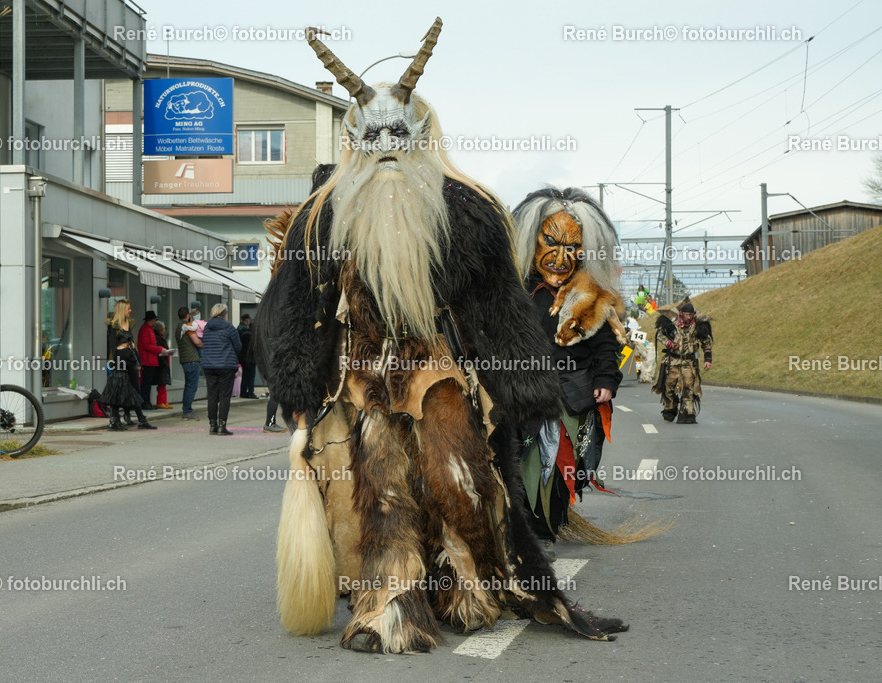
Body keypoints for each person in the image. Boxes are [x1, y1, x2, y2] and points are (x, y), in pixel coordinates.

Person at [257, 20, 625, 655]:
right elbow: (294, 306)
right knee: (375, 491)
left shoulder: (467, 210)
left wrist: (521, 385)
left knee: (459, 480)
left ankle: (468, 582)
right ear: (353, 137)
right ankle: (389, 603)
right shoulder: (322, 218)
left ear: (420, 132)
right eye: (371, 135)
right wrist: (295, 384)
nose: (386, 147)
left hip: (438, 371)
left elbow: (494, 305)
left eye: (398, 132)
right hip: (360, 376)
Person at [513, 186, 626, 557]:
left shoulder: (589, 295)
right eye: (551, 242)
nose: (561, 258)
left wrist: (607, 382)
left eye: (573, 247)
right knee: (520, 463)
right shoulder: (515, 292)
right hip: (520, 395)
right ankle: (520, 528)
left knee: (559, 468)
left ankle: (546, 529)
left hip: (569, 397)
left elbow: (606, 345)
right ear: (532, 241)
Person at [653, 298, 713, 424]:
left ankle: (687, 414)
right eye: (687, 315)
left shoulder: (698, 326)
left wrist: (708, 360)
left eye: (691, 315)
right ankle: (670, 409)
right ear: (681, 314)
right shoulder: (671, 324)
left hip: (689, 363)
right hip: (672, 361)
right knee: (668, 387)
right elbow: (659, 335)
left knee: (689, 389)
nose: (689, 317)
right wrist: (669, 343)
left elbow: (706, 343)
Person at [100, 299, 156, 430]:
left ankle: (141, 420)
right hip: (120, 360)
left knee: (135, 388)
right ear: (122, 310)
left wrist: (138, 361)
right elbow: (113, 346)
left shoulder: (128, 323)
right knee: (117, 388)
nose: (130, 311)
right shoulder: (114, 326)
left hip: (131, 358)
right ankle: (115, 420)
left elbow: (133, 343)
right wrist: (114, 361)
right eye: (128, 309)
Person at [201, 303, 241, 435]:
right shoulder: (229, 328)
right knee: (224, 396)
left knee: (212, 395)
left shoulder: (207, 328)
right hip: (225, 365)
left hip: (209, 365)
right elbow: (238, 346)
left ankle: (212, 425)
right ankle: (222, 426)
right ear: (224, 314)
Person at [174, 306, 202, 420]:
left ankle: (186, 410)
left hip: (185, 360)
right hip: (192, 360)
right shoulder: (187, 326)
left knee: (188, 386)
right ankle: (187, 411)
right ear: (188, 316)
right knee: (192, 386)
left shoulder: (178, 327)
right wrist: (205, 344)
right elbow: (197, 342)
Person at [136, 311, 161, 410]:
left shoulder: (147, 329)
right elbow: (147, 346)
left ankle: (147, 402)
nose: (155, 321)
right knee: (146, 383)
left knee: (147, 383)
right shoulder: (146, 330)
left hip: (149, 360)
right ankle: (144, 402)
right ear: (152, 320)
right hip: (147, 360)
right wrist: (159, 349)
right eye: (155, 319)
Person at [153, 320, 173, 409]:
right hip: (162, 363)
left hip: (163, 362)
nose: (165, 330)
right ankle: (161, 401)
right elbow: (160, 351)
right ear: (161, 329)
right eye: (164, 328)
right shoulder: (159, 338)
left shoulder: (160, 338)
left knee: (163, 383)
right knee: (162, 383)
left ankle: (164, 401)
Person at [236, 314, 257, 398]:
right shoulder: (252, 336)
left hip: (242, 357)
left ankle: (243, 392)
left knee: (244, 376)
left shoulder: (240, 330)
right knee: (251, 376)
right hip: (251, 358)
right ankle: (251, 392)